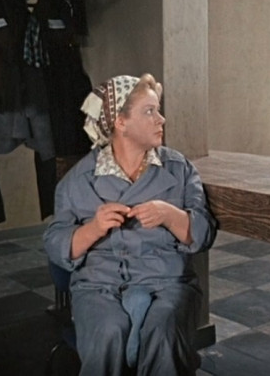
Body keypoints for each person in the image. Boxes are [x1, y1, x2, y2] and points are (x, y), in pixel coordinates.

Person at [43, 73, 217, 376]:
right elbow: (55, 244)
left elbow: (203, 234)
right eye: (149, 111)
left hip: (167, 283)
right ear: (120, 122)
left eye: (158, 110)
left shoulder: (179, 169)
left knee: (163, 334)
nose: (161, 119)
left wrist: (171, 216)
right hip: (99, 287)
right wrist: (94, 228)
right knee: (108, 333)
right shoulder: (79, 179)